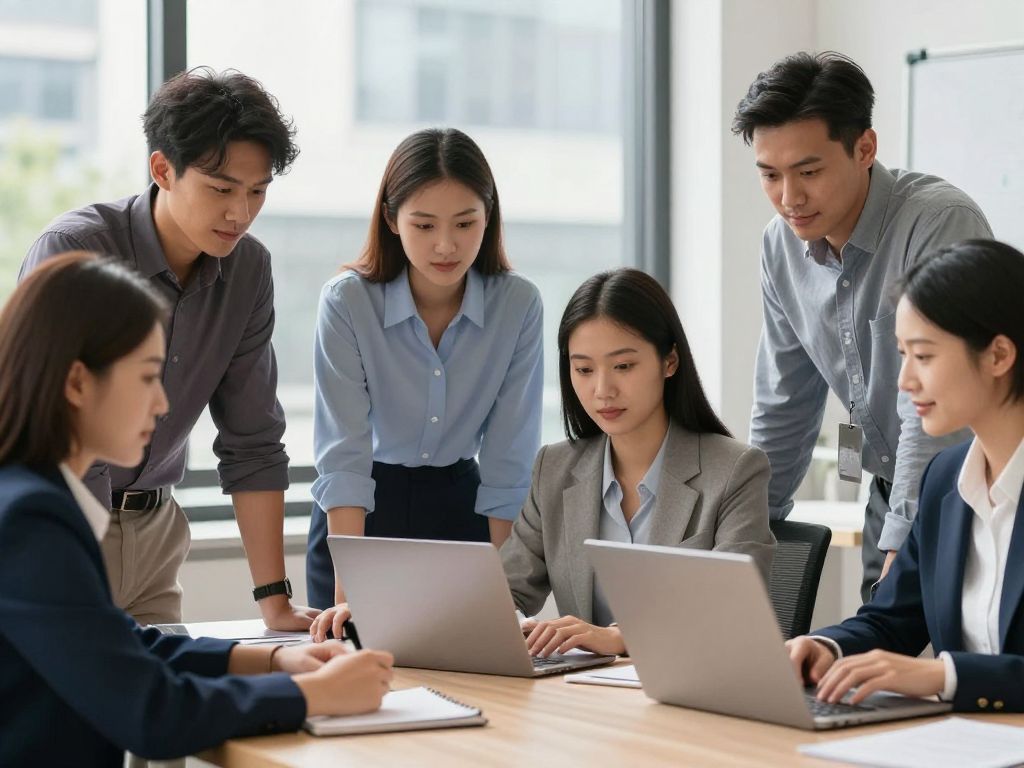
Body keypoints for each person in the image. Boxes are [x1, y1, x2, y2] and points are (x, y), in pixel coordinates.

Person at [0, 253, 394, 767]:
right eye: (147, 377)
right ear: (77, 383)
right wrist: (315, 697)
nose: (163, 404)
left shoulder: (30, 497)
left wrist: (277, 660)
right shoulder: (31, 521)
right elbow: (151, 711)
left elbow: (121, 646)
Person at [19, 68, 314, 630]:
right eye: (222, 189)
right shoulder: (77, 249)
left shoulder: (249, 270)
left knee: (163, 705)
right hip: (65, 522)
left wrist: (275, 603)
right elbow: (47, 427)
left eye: (258, 191)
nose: (241, 213)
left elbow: (252, 440)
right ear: (163, 169)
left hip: (156, 533)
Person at [732, 51, 992, 602]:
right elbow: (783, 403)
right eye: (770, 175)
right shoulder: (781, 247)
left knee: (959, 670)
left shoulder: (938, 223)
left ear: (865, 148)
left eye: (808, 172)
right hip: (883, 485)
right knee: (872, 668)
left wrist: (906, 539)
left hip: (970, 483)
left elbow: (931, 412)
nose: (789, 198)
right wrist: (749, 537)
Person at [306, 128, 543, 638]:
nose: (445, 244)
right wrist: (350, 601)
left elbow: (508, 462)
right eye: (424, 224)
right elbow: (344, 458)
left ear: (489, 217)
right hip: (361, 515)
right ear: (391, 219)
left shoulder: (518, 305)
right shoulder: (347, 302)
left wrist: (506, 597)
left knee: (478, 673)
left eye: (465, 223)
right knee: (354, 672)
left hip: (462, 509)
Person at [787, 239, 1024, 712]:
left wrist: (946, 675)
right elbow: (891, 620)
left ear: (998, 356)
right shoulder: (945, 479)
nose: (904, 381)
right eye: (902, 355)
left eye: (924, 356)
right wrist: (824, 648)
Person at [499, 268, 775, 658]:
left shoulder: (735, 470)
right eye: (584, 369)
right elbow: (505, 591)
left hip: (694, 692)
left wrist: (620, 636)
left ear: (669, 362)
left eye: (623, 366)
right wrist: (515, 625)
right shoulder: (554, 468)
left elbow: (730, 604)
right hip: (586, 695)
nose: (602, 390)